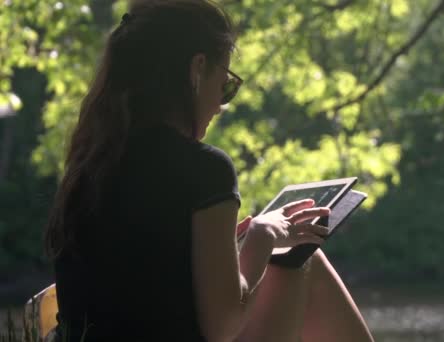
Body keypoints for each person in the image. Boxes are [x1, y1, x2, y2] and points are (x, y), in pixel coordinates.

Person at [44, 0, 375, 341]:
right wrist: (262, 236)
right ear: (197, 69)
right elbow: (222, 327)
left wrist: (223, 252)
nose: (221, 105)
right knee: (302, 263)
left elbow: (139, 283)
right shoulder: (206, 169)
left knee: (295, 263)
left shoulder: (90, 166)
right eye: (227, 84)